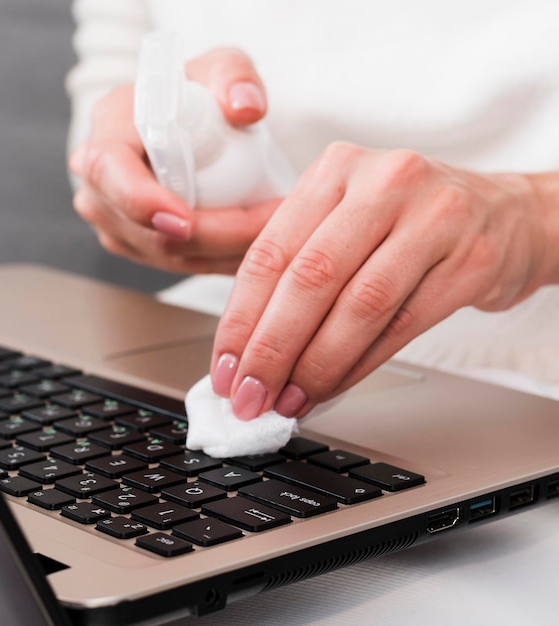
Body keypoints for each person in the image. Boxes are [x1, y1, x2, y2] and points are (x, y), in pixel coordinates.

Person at [66, 0, 559, 424]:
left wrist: (534, 218)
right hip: (206, 344)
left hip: (537, 377)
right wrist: (134, 174)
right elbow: (105, 113)